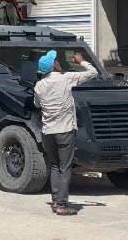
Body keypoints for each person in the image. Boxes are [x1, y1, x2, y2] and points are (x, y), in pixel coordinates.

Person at [33, 50, 98, 216]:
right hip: (65, 131)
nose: (59, 62)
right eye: (57, 60)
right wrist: (81, 61)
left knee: (54, 166)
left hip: (48, 132)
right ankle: (62, 205)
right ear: (55, 66)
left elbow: (37, 105)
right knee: (65, 167)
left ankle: (56, 201)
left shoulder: (39, 86)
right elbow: (93, 73)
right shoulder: (65, 78)